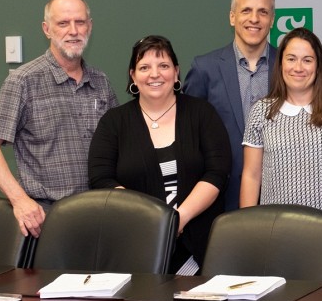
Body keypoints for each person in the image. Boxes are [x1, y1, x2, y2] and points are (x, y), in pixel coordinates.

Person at [88, 36, 231, 275]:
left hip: (201, 250)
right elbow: (101, 179)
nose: (155, 74)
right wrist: (150, 220)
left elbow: (217, 172)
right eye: (144, 67)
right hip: (135, 248)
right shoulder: (114, 122)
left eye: (163, 66)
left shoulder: (201, 113)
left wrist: (177, 219)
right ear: (133, 76)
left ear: (176, 73)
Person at [0, 0, 118, 238]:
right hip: (48, 220)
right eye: (63, 23)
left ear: (90, 26)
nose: (73, 31)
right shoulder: (23, 80)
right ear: (47, 29)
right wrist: (19, 200)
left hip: (101, 215)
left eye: (80, 22)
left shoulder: (101, 82)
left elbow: (119, 146)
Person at [241, 27, 322, 258]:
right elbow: (251, 175)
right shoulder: (261, 111)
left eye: (307, 60)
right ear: (280, 64)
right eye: (291, 59)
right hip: (275, 232)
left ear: (318, 66)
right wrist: (247, 228)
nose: (298, 68)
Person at [184, 0, 277, 212]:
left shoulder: (290, 66)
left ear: (272, 20)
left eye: (262, 12)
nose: (254, 19)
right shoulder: (205, 68)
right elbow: (187, 133)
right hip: (220, 197)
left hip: (281, 191)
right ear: (232, 17)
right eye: (246, 11)